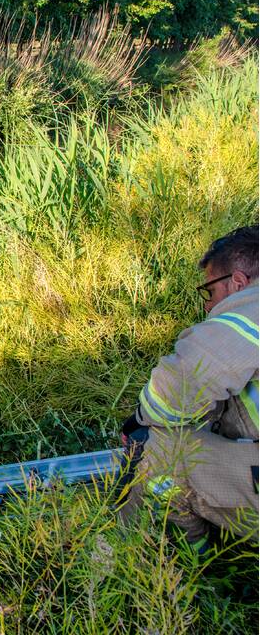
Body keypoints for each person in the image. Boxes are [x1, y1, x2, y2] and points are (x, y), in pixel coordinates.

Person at [120, 225, 259, 546]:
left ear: (238, 282)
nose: (208, 306)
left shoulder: (252, 309)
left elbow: (182, 382)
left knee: (163, 452)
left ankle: (175, 560)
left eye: (210, 292)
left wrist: (139, 421)